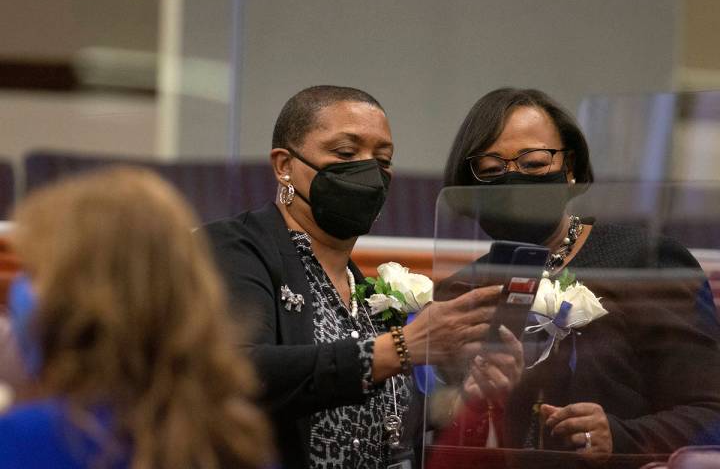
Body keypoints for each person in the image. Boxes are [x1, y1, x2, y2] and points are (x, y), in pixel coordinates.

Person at [203, 85, 503, 469]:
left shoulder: (365, 289)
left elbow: (384, 417)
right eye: (346, 153)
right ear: (284, 165)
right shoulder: (234, 248)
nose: (370, 173)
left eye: (383, 159)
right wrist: (401, 347)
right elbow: (237, 373)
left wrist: (461, 400)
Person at [437, 87, 720, 456]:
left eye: (534, 164)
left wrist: (621, 438)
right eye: (491, 170)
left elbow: (711, 413)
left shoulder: (645, 262)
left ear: (569, 168)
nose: (513, 180)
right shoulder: (460, 291)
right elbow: (438, 431)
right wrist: (470, 405)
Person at [0, 167, 273, 469]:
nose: (19, 289)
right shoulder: (238, 440)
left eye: (35, 272)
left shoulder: (24, 440)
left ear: (78, 298)